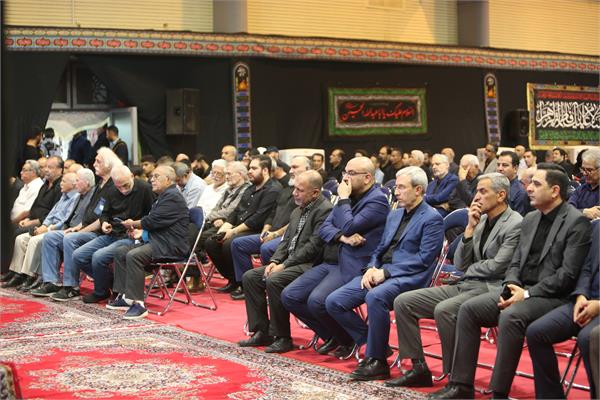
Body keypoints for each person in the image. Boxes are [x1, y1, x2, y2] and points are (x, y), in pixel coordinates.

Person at [431, 163, 591, 399]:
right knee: (469, 309)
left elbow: (567, 275)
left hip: (551, 295)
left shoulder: (576, 222)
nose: (529, 188)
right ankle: (461, 385)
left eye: (536, 184)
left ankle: (499, 392)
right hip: (518, 289)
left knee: (511, 315)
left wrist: (525, 294)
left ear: (555, 190)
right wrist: (511, 286)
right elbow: (515, 262)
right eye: (530, 183)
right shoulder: (531, 219)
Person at [387, 173, 522, 388]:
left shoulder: (515, 223)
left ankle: (455, 379)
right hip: (466, 284)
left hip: (491, 288)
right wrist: (469, 230)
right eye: (476, 191)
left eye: (483, 191)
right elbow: (459, 263)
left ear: (501, 195)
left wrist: (470, 269)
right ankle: (418, 368)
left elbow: (498, 266)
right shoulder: (480, 219)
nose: (476, 197)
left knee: (445, 310)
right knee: (404, 302)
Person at [326, 166, 444, 381]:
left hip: (410, 277)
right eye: (396, 187)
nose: (396, 192)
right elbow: (379, 248)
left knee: (375, 296)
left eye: (401, 187)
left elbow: (423, 260)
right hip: (381, 272)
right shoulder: (395, 213)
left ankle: (377, 360)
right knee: (334, 301)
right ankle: (375, 345)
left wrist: (386, 272)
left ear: (418, 190)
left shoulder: (432, 218)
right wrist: (372, 268)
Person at [281, 156, 389, 358]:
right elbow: (325, 228)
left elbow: (348, 225)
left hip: (357, 264)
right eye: (345, 172)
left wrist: (344, 199)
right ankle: (336, 336)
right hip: (334, 259)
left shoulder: (377, 201)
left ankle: (368, 340)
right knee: (290, 296)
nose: (345, 178)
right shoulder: (349, 196)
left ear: (367, 178)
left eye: (351, 173)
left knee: (317, 301)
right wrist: (344, 238)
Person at [239, 170, 332, 353]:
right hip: (291, 262)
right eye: (294, 188)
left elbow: (313, 247)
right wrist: (275, 260)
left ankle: (282, 337)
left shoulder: (325, 210)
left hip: (311, 264)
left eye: (300, 190)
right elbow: (285, 241)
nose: (294, 193)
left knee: (275, 279)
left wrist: (284, 265)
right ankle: (262, 331)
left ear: (315, 192)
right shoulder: (297, 210)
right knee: (251, 277)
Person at [32, 148, 121, 299]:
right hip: (87, 229)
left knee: (70, 239)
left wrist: (80, 231)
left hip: (99, 232)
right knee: (50, 237)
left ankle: (71, 286)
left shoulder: (112, 186)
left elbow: (102, 219)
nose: (94, 164)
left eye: (98, 161)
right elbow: (89, 216)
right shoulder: (100, 184)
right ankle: (51, 281)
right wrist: (76, 228)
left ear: (108, 164)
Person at [526, 220, 598, 399]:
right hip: (585, 301)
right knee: (537, 332)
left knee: (588, 338)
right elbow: (586, 268)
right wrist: (581, 295)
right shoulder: (597, 227)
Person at [107, 165, 190, 320]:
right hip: (159, 241)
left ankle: (138, 304)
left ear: (168, 179)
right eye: (152, 176)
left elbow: (152, 221)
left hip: (171, 245)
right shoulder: (164, 196)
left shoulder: (172, 197)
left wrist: (133, 224)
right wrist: (140, 232)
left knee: (134, 255)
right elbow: (157, 223)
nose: (152, 179)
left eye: (156, 176)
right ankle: (126, 297)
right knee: (120, 251)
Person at [68, 165, 154, 303]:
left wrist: (138, 226)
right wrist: (104, 223)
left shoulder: (145, 189)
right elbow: (105, 213)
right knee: (78, 256)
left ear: (132, 176)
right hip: (111, 233)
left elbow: (152, 216)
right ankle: (112, 284)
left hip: (131, 236)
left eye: (126, 185)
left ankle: (101, 290)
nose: (123, 190)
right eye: (119, 187)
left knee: (98, 257)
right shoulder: (111, 190)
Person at [230, 156, 311, 300]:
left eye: (295, 167)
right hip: (272, 232)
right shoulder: (286, 190)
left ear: (307, 169)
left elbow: (297, 221)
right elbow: (272, 213)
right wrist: (266, 230)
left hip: (288, 235)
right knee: (238, 244)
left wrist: (275, 234)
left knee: (266, 248)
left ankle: (271, 286)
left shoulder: (308, 193)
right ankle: (246, 286)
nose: (290, 171)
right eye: (291, 167)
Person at [205, 155, 281, 293]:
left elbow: (258, 218)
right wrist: (224, 229)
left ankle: (244, 284)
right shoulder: (250, 188)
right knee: (211, 242)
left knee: (229, 243)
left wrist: (233, 231)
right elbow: (235, 212)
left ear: (265, 170)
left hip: (257, 229)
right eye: (249, 168)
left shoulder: (273, 189)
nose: (249, 171)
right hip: (241, 227)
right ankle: (232, 279)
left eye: (254, 168)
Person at [3, 173, 80, 290]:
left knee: (34, 241)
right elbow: (51, 214)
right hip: (47, 227)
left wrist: (47, 229)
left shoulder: (75, 198)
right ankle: (17, 273)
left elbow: (65, 220)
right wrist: (43, 226)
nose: (61, 183)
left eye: (64, 181)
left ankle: (30, 276)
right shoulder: (63, 195)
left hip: (57, 230)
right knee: (20, 239)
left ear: (73, 184)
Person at [14, 156, 64, 236]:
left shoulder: (61, 187)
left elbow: (54, 213)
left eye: (50, 167)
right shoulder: (44, 185)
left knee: (14, 232)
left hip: (45, 225)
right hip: (32, 220)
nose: (46, 170)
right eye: (46, 167)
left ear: (60, 170)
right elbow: (35, 206)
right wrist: (28, 219)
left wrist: (33, 222)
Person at [496, 150, 530, 216]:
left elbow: (518, 220)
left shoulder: (520, 192)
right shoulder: (494, 186)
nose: (500, 168)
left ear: (515, 168)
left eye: (505, 165)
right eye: (498, 165)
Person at [569, 148, 600, 219]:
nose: (584, 173)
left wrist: (577, 212)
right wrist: (583, 212)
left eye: (589, 170)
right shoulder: (580, 189)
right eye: (583, 169)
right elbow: (568, 210)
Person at [10, 160, 44, 225]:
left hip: (22, 223)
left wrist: (11, 222)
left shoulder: (37, 186)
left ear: (33, 172)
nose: (21, 173)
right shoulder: (25, 186)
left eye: (24, 170)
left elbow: (27, 212)